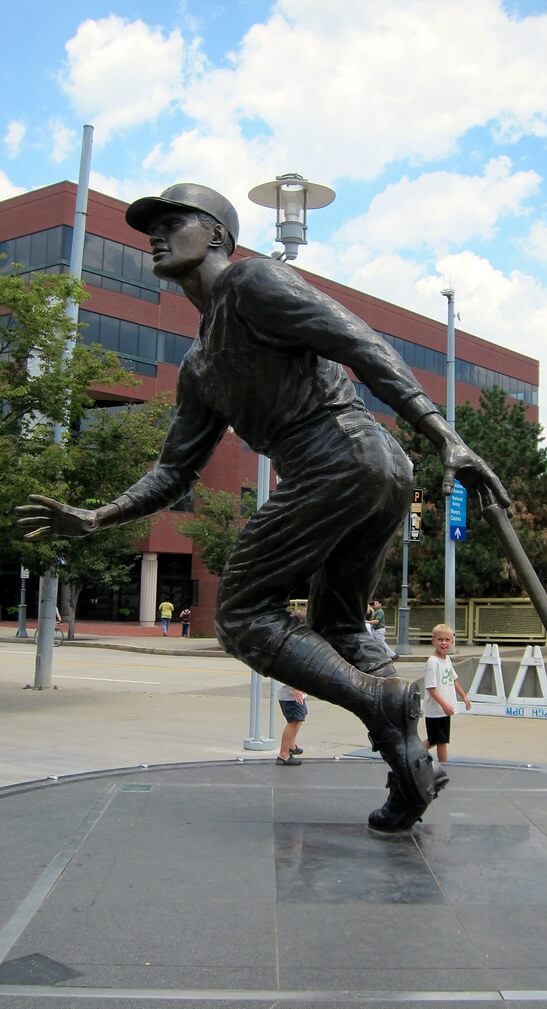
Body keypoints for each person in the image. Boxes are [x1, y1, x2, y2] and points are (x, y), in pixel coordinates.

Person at [16, 182, 509, 833]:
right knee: (339, 624)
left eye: (174, 221)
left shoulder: (252, 284)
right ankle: (408, 764)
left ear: (217, 234)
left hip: (340, 456)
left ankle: (380, 701)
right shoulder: (199, 367)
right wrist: (99, 516)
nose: (156, 235)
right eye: (150, 226)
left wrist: (443, 432)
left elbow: (357, 342)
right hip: (373, 469)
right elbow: (172, 471)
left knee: (242, 613)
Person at [423, 623, 472, 764]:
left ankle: (414, 752)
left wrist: (464, 696)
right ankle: (444, 767)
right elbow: (431, 688)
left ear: (452, 642)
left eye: (447, 640)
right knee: (441, 741)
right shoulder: (433, 663)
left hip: (444, 710)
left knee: (436, 739)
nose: (444, 643)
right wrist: (444, 705)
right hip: (436, 710)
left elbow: (454, 679)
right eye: (440, 639)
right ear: (433, 641)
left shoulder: (447, 660)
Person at [276, 682, 308, 766]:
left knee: (299, 718)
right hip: (291, 695)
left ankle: (291, 746)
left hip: (292, 693)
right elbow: (294, 672)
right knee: (294, 721)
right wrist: (296, 689)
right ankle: (283, 755)